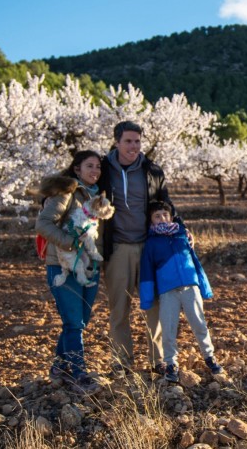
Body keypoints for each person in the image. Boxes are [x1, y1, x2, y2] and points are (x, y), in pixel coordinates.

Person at [98, 120, 175, 377]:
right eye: (128, 141)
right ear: (117, 142)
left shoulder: (152, 171)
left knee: (153, 305)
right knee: (119, 308)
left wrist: (182, 230)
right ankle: (121, 362)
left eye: (137, 141)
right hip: (117, 247)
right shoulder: (103, 170)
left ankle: (159, 359)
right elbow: (77, 188)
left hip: (148, 247)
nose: (133, 146)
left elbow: (165, 204)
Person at [35, 150, 104, 395]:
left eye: (97, 166)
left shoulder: (99, 197)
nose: (95, 171)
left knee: (80, 321)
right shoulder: (67, 193)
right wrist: (69, 242)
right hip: (62, 265)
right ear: (77, 169)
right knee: (73, 322)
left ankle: (59, 366)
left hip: (88, 266)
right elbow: (43, 224)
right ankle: (79, 374)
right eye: (89, 166)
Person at [139, 202, 222, 383]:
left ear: (171, 216)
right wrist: (146, 299)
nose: (162, 218)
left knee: (199, 323)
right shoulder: (151, 243)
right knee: (168, 329)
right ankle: (170, 364)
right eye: (157, 216)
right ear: (151, 220)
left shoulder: (182, 235)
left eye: (165, 214)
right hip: (167, 292)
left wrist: (203, 286)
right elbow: (146, 272)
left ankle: (209, 356)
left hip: (189, 287)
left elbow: (195, 262)